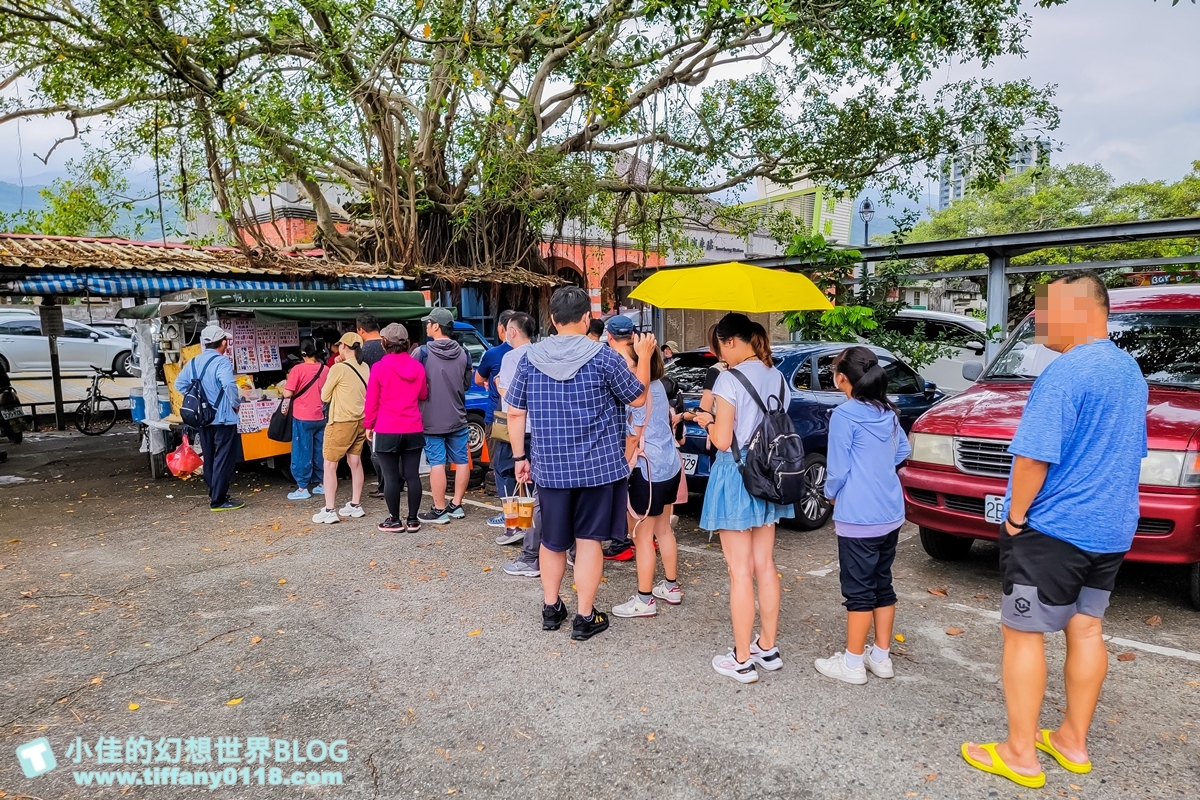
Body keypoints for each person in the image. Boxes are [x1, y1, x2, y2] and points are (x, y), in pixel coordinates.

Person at [963, 273, 1147, 789]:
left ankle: (1020, 753)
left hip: (1056, 528)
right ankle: (1071, 739)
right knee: (1086, 628)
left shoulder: (1066, 372)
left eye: (1049, 307)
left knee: (1022, 633)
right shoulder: (1128, 369)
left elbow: (1032, 458)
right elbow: (1130, 452)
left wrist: (1015, 518)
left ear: (1084, 309)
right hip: (1111, 527)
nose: (1040, 317)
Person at [506, 286, 654, 641]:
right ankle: (585, 617)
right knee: (588, 541)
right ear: (587, 318)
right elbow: (637, 399)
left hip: (550, 467)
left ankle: (551, 607)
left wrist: (520, 457)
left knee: (552, 541)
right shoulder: (605, 358)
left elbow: (514, 412)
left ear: (553, 320)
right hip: (599, 469)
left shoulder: (530, 358)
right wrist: (646, 359)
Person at [691, 314, 793, 683]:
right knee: (764, 565)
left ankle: (742, 658)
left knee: (739, 572)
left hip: (735, 475)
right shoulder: (778, 376)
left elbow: (721, 440)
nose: (720, 355)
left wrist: (706, 420)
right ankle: (768, 647)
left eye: (720, 347)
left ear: (730, 342)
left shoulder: (728, 379)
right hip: (768, 474)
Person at [813, 346, 911, 685]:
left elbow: (837, 471)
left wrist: (828, 495)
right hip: (890, 511)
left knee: (858, 590)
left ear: (843, 378)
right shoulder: (888, 411)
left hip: (859, 515)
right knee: (882, 583)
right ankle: (881, 657)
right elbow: (903, 450)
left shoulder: (845, 415)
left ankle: (853, 663)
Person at [612, 345, 683, 618]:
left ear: (639, 363)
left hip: (647, 471)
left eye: (625, 361)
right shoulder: (657, 386)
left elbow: (632, 436)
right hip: (669, 466)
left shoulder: (637, 392)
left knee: (642, 536)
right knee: (664, 529)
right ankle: (671, 587)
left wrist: (623, 464)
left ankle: (644, 599)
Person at [363, 324, 427, 533]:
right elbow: (423, 394)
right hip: (413, 426)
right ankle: (413, 520)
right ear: (407, 343)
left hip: (387, 426)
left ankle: (394, 520)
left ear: (384, 343)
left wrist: (368, 425)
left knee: (390, 477)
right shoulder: (417, 367)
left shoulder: (379, 368)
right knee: (412, 475)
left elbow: (371, 400)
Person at [173, 324, 244, 511]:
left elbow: (179, 384)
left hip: (203, 419)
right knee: (224, 458)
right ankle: (219, 500)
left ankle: (215, 493)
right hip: (223, 418)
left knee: (210, 457)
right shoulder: (222, 362)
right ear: (222, 343)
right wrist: (235, 403)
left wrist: (199, 397)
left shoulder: (195, 361)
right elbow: (229, 384)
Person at [416, 307, 474, 525]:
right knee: (461, 461)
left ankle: (439, 508)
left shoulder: (422, 352)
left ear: (436, 326)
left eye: (428, 322)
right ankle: (456, 505)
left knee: (437, 463)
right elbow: (466, 384)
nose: (426, 325)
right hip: (458, 416)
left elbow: (414, 381)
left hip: (431, 419)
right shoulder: (464, 353)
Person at [313, 333, 370, 524]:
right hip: (360, 420)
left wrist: (336, 366)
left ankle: (329, 509)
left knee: (330, 465)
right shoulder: (365, 367)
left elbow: (324, 395)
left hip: (340, 421)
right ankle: (355, 505)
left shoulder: (338, 368)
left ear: (344, 346)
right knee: (355, 462)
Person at [493, 312, 535, 549]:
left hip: (516, 428)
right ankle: (532, 526)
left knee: (506, 472)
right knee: (533, 479)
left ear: (513, 332)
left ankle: (514, 526)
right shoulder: (541, 353)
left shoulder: (511, 357)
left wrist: (498, 383)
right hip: (538, 428)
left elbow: (511, 398)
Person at [599, 314, 638, 562]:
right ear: (632, 335)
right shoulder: (642, 357)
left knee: (618, 495)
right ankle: (637, 537)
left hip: (621, 438)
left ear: (609, 336)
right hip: (646, 440)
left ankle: (621, 540)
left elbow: (634, 401)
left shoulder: (611, 361)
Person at [477, 309, 515, 511]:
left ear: (502, 329)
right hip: (527, 418)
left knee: (500, 466)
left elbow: (477, 378)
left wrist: (490, 381)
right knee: (523, 464)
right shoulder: (534, 353)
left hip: (498, 416)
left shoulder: (492, 354)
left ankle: (508, 516)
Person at [282, 338, 328, 500]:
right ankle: (322, 483)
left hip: (302, 416)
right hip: (321, 416)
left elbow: (287, 393)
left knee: (302, 451)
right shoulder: (326, 369)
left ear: (302, 353)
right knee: (320, 450)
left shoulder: (297, 370)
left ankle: (302, 487)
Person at [355, 313, 387, 499]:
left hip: (371, 403)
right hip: (392, 403)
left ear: (361, 330)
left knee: (375, 448)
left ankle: (384, 485)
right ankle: (394, 481)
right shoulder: (388, 345)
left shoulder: (362, 352)